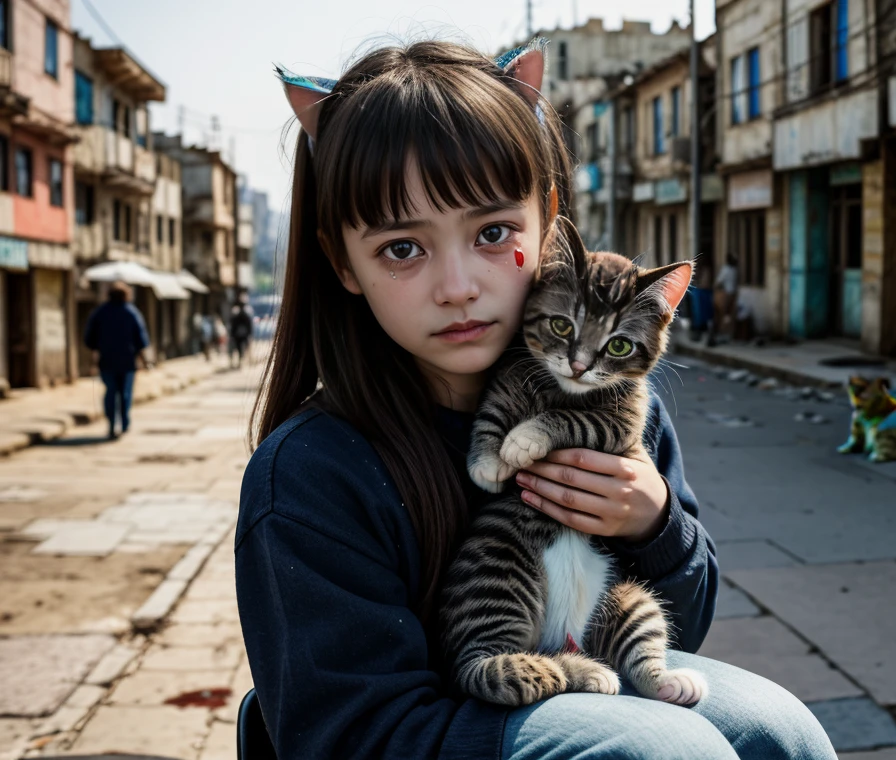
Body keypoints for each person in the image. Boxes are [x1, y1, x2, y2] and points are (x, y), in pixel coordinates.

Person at [237, 41, 837, 760]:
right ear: (344, 263)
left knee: (783, 734)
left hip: (588, 671)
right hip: (427, 732)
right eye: (403, 247)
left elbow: (684, 621)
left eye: (493, 233)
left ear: (547, 224)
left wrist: (654, 523)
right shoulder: (314, 473)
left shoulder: (615, 403)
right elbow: (347, 734)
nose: (457, 284)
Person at [83, 281, 150, 439]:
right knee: (125, 393)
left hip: (107, 361)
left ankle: (112, 424)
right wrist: (144, 360)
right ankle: (125, 422)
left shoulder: (100, 312)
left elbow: (88, 338)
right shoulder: (132, 313)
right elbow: (141, 339)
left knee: (111, 392)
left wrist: (97, 349)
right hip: (128, 362)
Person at [710, 253, 739, 347]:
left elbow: (719, 281)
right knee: (728, 314)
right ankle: (727, 334)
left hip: (726, 294)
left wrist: (714, 289)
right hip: (732, 293)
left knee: (722, 314)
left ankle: (722, 333)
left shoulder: (726, 269)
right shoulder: (734, 269)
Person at [229, 293, 254, 368]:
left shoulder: (248, 311)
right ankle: (240, 361)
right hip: (238, 334)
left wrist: (250, 333)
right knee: (238, 348)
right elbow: (233, 324)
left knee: (244, 348)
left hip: (244, 333)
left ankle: (243, 361)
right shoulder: (235, 311)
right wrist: (232, 334)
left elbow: (249, 324)